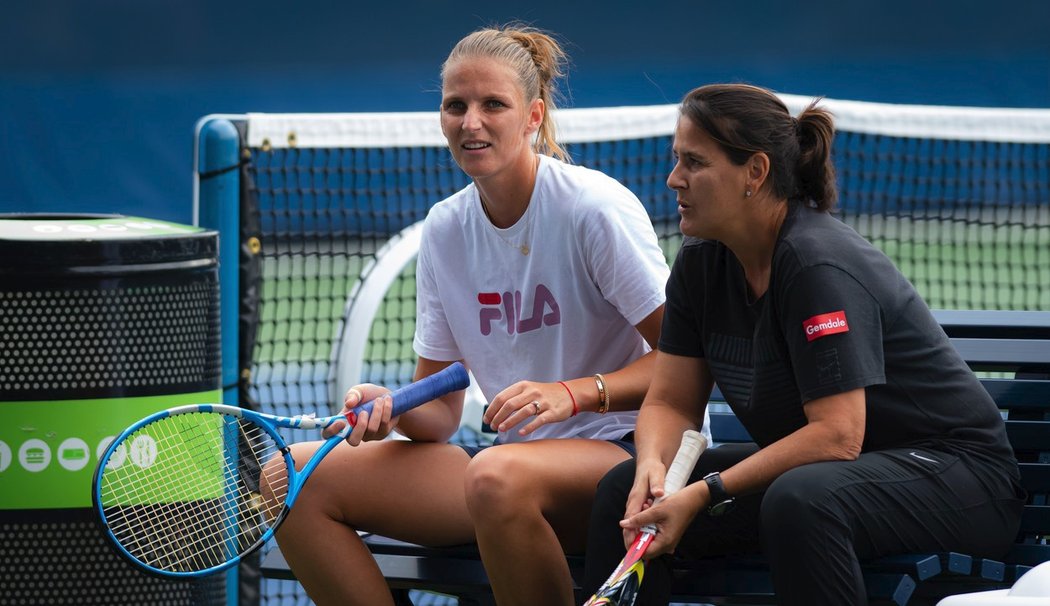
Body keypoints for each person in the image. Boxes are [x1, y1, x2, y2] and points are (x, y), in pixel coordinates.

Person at [267, 25, 709, 606]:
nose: (470, 122)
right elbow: (442, 415)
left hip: (626, 459)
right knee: (289, 479)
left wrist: (573, 394)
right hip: (501, 469)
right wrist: (391, 405)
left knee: (496, 478)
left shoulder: (591, 209)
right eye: (456, 106)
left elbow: (689, 367)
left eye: (492, 104)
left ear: (532, 116)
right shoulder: (445, 229)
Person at [582, 83, 1026, 605]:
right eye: (677, 159)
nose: (673, 179)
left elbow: (838, 436)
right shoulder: (700, 262)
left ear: (755, 172)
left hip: (957, 479)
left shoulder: (816, 264)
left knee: (801, 499)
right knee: (623, 488)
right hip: (834, 478)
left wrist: (705, 492)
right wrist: (654, 467)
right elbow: (672, 400)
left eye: (694, 163)